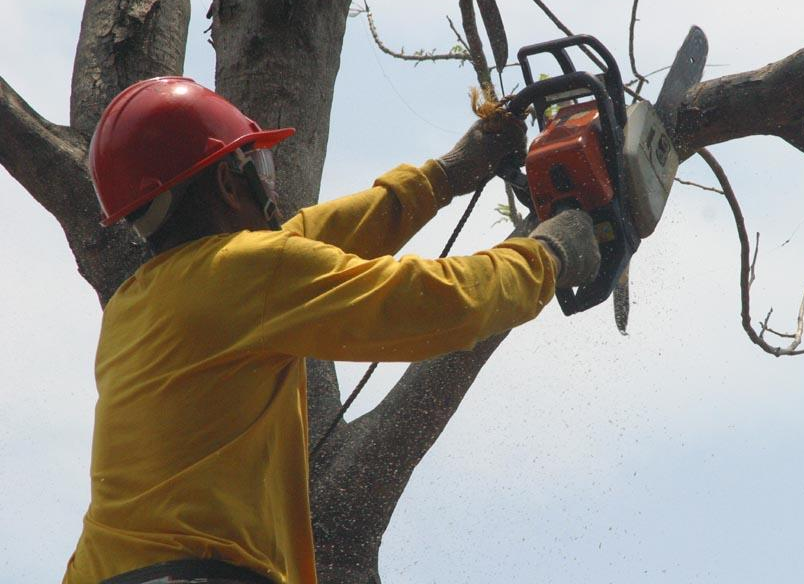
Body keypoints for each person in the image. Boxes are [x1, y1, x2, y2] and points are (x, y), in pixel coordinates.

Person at [63, 77, 600, 584]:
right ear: (229, 181)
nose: (270, 188)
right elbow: (434, 303)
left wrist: (448, 174)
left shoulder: (136, 305)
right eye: (259, 167)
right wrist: (549, 255)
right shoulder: (245, 271)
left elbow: (314, 237)